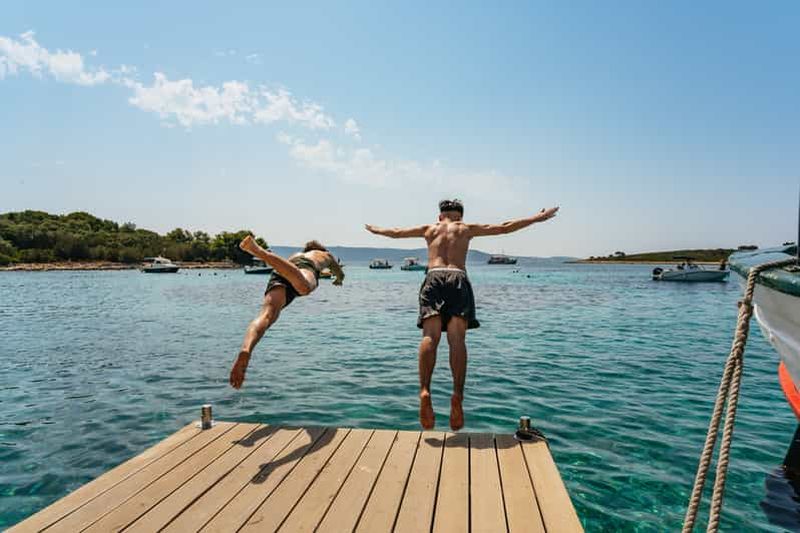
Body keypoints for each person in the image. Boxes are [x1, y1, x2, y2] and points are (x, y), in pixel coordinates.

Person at [365, 199, 559, 430]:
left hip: (433, 277)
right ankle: (457, 394)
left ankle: (425, 391)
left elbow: (396, 233)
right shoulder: (466, 229)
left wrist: (375, 229)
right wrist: (538, 218)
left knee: (429, 337)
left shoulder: (429, 229)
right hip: (457, 277)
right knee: (456, 339)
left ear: (440, 217)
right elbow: (506, 226)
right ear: (460, 217)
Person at [229, 235, 345, 389]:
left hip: (281, 272)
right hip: (302, 271)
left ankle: (246, 348)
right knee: (304, 287)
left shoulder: (297, 254)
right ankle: (259, 251)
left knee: (266, 316)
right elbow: (339, 273)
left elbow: (294, 270)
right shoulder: (325, 255)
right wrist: (338, 279)